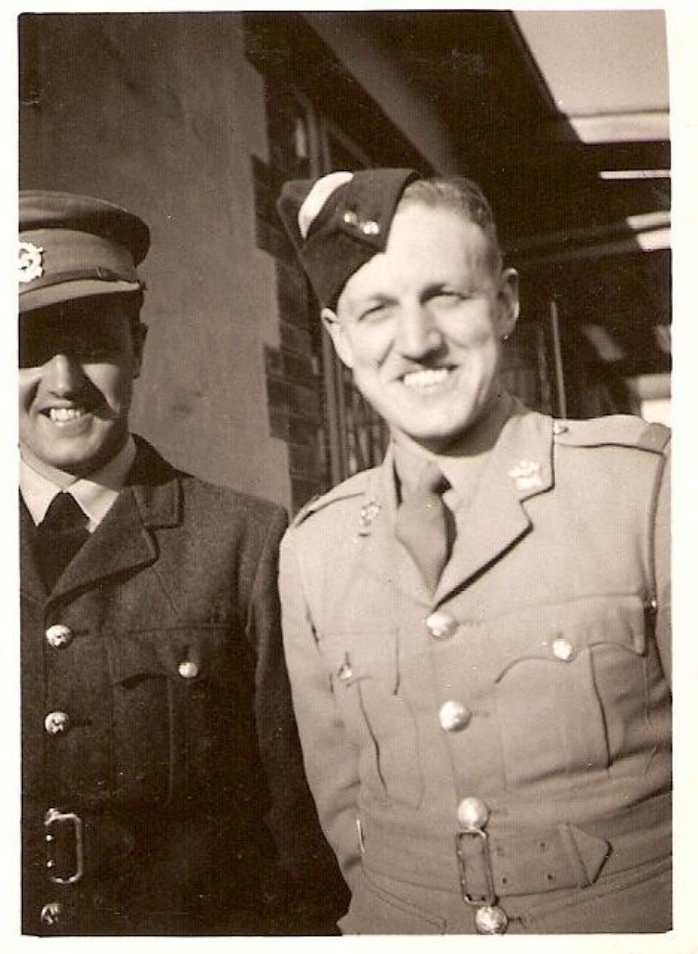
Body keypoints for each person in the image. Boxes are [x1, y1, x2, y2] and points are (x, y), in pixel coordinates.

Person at [275, 169, 671, 934]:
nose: (417, 341)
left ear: (507, 302)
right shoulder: (314, 551)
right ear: (339, 339)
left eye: (445, 296)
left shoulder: (646, 491)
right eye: (377, 310)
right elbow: (347, 819)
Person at [18, 190, 347, 935]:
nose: (63, 381)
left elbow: (295, 827)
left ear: (138, 348)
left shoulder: (243, 542)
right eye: (29, 349)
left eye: (93, 342)